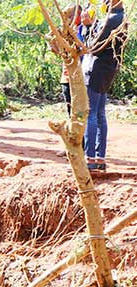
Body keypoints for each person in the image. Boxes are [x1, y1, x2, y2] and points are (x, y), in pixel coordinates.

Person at [82, 0, 126, 171]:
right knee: (99, 114)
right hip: (107, 71)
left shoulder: (112, 19)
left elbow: (94, 47)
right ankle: (99, 158)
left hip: (96, 71)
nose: (102, 2)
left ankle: (90, 158)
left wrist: (87, 28)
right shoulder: (121, 18)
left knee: (91, 114)